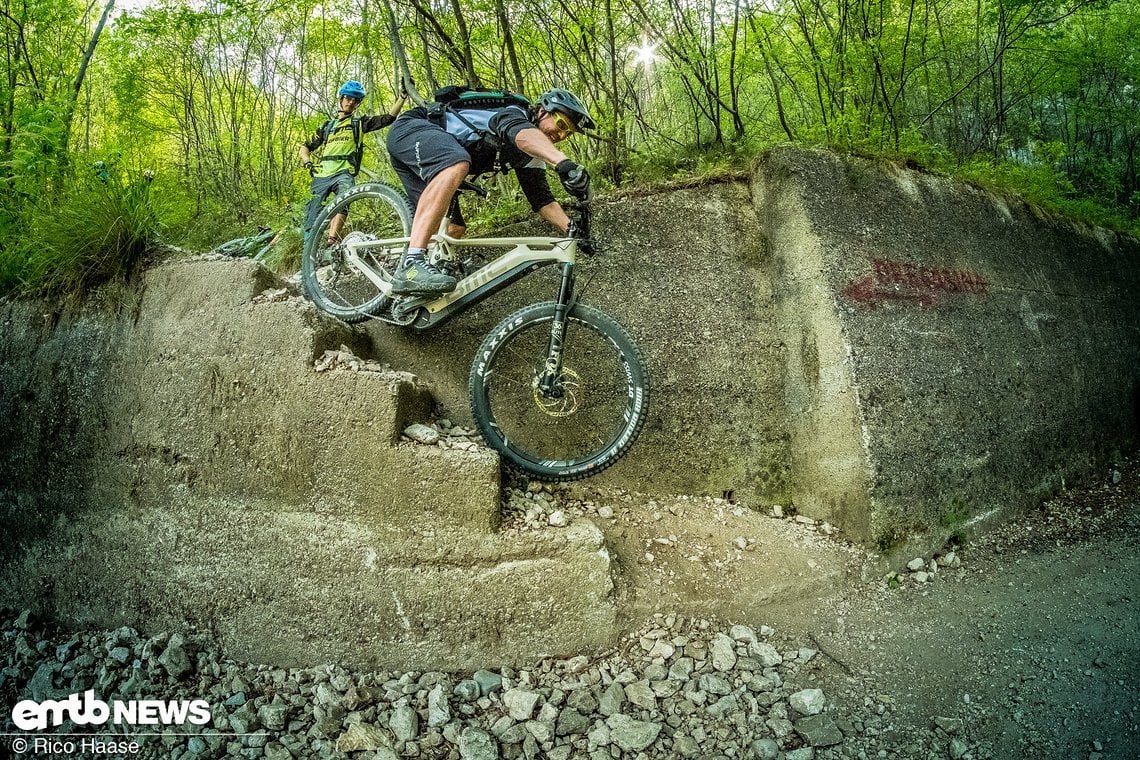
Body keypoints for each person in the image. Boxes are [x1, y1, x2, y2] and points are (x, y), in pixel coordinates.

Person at [385, 87, 595, 295]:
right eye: (561, 124)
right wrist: (563, 163)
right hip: (412, 129)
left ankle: (413, 290)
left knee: (454, 228)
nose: (560, 134)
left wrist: (572, 230)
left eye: (568, 133)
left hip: (436, 158)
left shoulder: (532, 156)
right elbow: (521, 135)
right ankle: (412, 263)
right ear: (542, 111)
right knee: (457, 163)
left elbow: (542, 200)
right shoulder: (514, 113)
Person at [300, 80, 406, 245]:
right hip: (322, 174)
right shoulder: (327, 126)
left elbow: (388, 118)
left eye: (355, 100)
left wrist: (402, 96)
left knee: (344, 200)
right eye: (348, 98)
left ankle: (331, 241)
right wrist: (308, 162)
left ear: (358, 104)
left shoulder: (359, 123)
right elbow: (305, 147)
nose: (351, 102)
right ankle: (309, 249)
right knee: (312, 213)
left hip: (344, 172)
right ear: (341, 98)